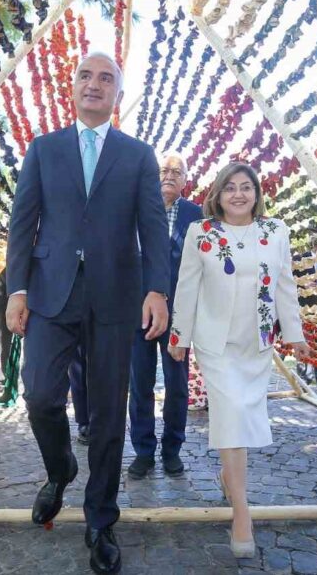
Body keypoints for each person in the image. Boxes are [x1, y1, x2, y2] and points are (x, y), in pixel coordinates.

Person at [4, 51, 169, 574]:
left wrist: (157, 290)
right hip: (51, 295)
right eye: (85, 76)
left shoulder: (139, 155)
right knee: (40, 395)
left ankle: (101, 519)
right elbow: (23, 223)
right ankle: (60, 470)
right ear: (71, 87)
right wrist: (17, 290)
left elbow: (154, 229)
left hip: (117, 296)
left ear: (117, 95)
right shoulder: (44, 149)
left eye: (106, 79)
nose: (94, 85)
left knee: (106, 411)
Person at [168, 163, 311, 558]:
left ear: (256, 193)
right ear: (218, 193)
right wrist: (179, 336)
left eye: (246, 187)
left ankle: (231, 483)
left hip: (257, 342)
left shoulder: (275, 231)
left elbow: (285, 284)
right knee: (230, 413)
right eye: (230, 187)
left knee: (241, 418)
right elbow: (187, 285)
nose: (238, 194)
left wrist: (295, 335)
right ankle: (242, 514)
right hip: (215, 343)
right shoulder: (203, 231)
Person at [127, 153, 202, 479]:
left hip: (179, 315)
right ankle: (143, 451)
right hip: (137, 312)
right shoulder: (133, 211)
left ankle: (172, 449)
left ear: (186, 180)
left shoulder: (197, 217)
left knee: (177, 384)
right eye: (164, 170)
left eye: (177, 171)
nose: (170, 175)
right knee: (139, 382)